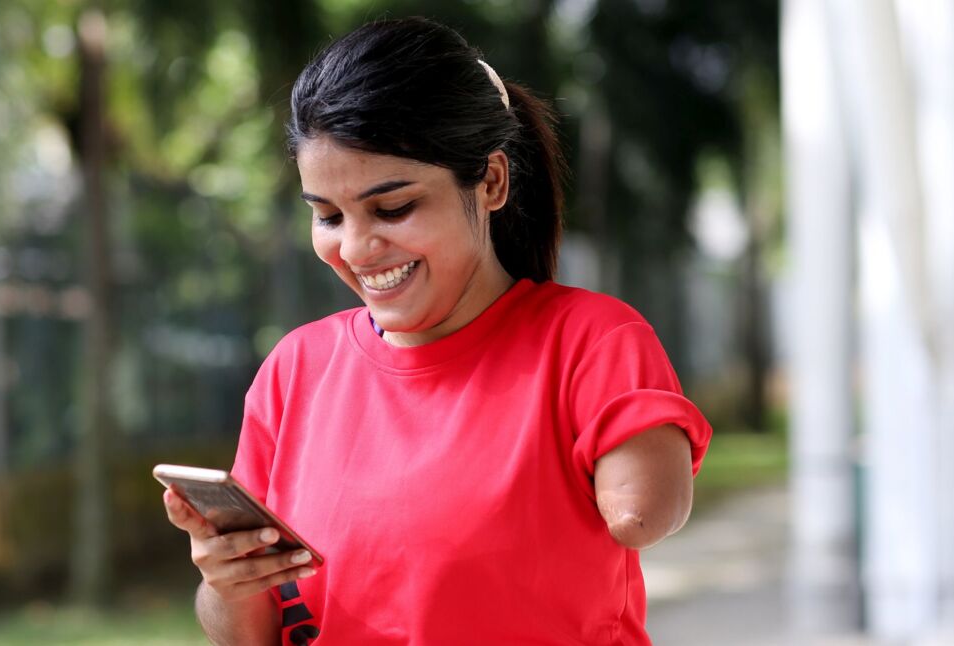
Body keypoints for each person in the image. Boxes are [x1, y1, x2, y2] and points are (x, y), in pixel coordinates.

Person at [163, 17, 712, 646]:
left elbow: (643, 514)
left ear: (492, 181)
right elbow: (246, 635)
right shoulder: (296, 370)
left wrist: (640, 471)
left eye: (393, 208)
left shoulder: (589, 341)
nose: (357, 248)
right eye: (329, 216)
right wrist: (226, 582)